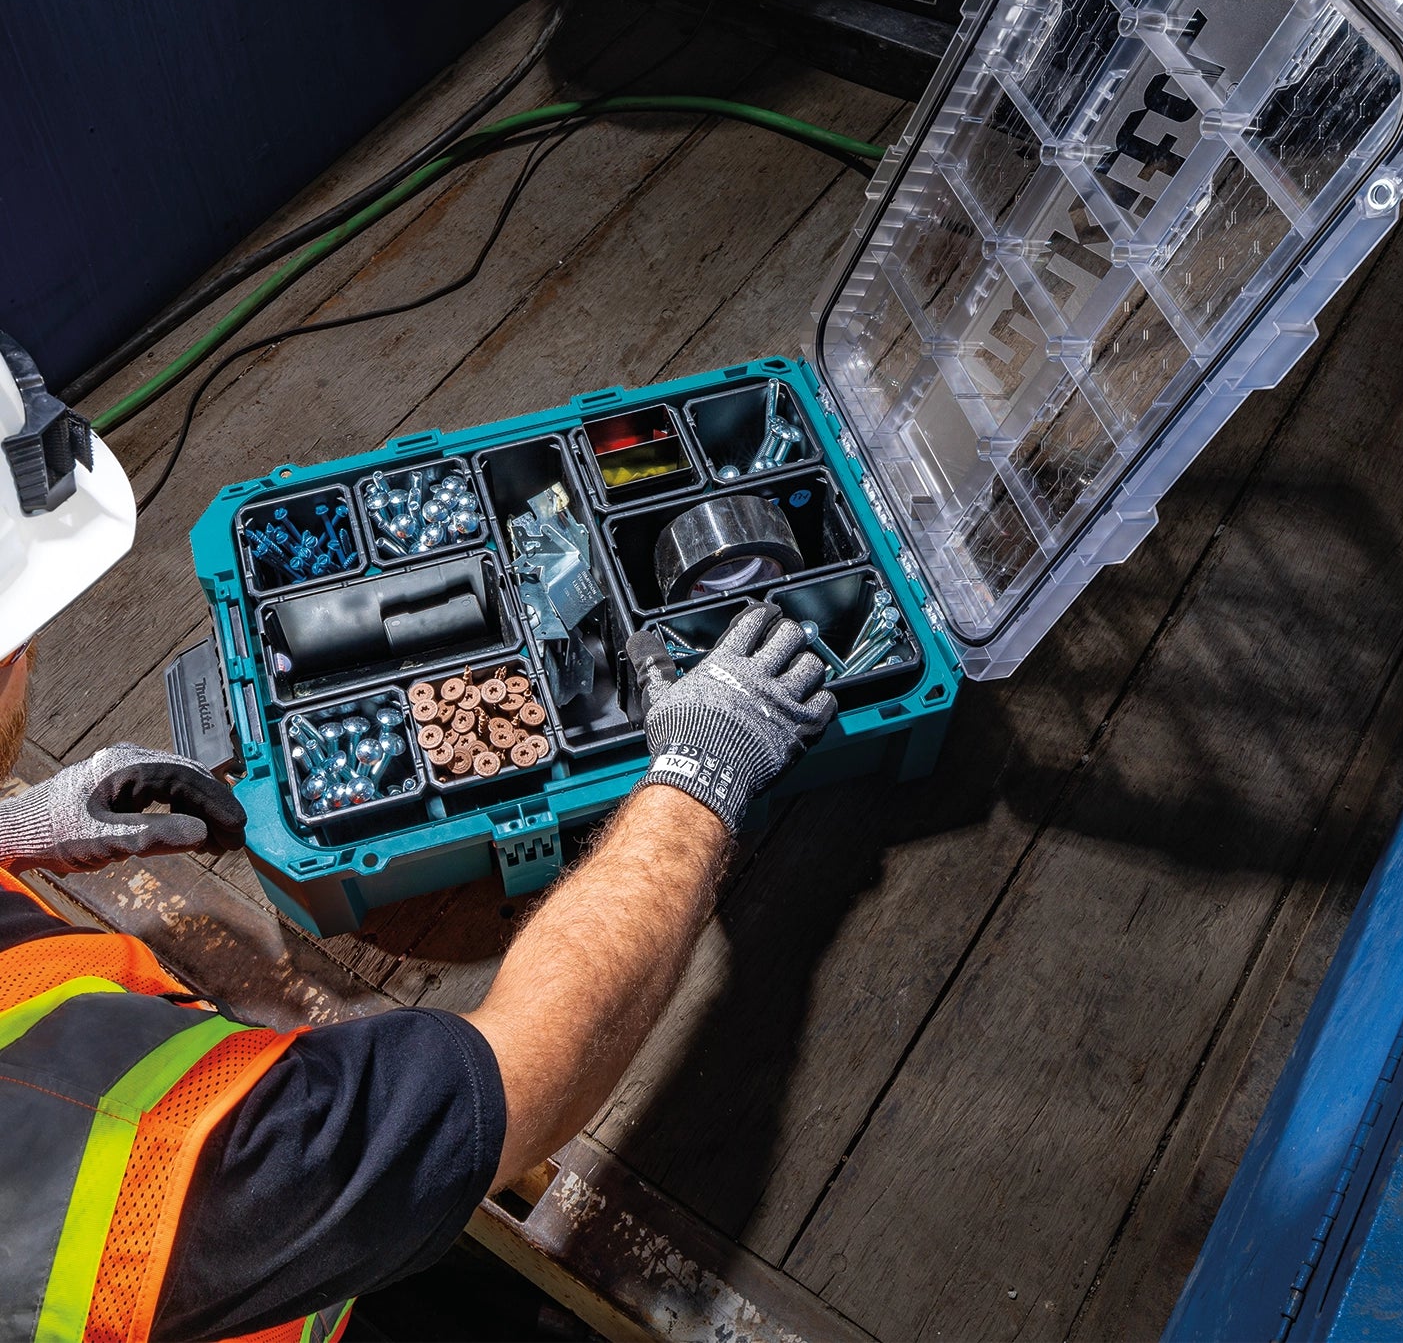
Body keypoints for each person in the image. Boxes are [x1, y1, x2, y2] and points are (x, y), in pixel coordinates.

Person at [0, 337, 836, 1342]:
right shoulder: (126, 1150)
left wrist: (19, 830)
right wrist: (701, 775)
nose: (33, 655)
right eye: (21, 636)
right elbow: (513, 1083)